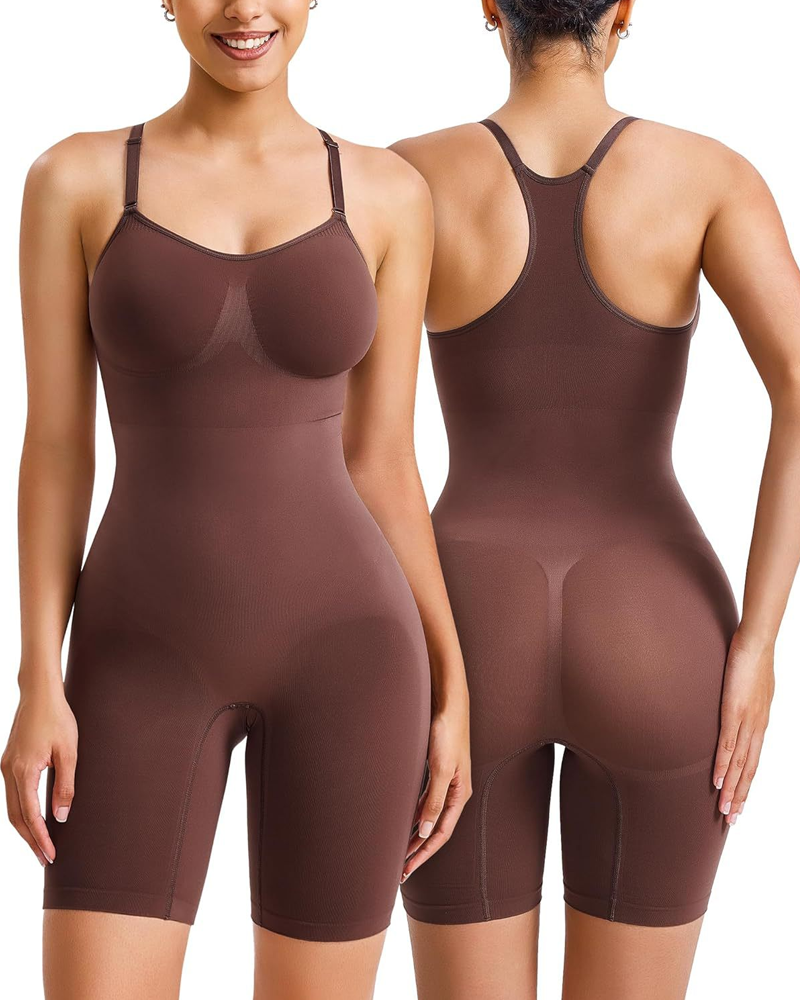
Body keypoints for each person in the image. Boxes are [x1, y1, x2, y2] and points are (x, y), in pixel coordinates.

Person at [1, 2, 471, 998]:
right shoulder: (75, 180)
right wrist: (38, 671)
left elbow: (386, 460)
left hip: (353, 655)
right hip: (136, 655)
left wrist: (452, 677)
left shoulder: (387, 193)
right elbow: (56, 448)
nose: (245, 10)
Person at [392, 2, 800, 997]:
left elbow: (366, 448)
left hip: (464, 627)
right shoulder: (709, 177)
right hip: (657, 626)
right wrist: (756, 643)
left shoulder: (404, 178)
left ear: (490, 8)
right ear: (622, 10)